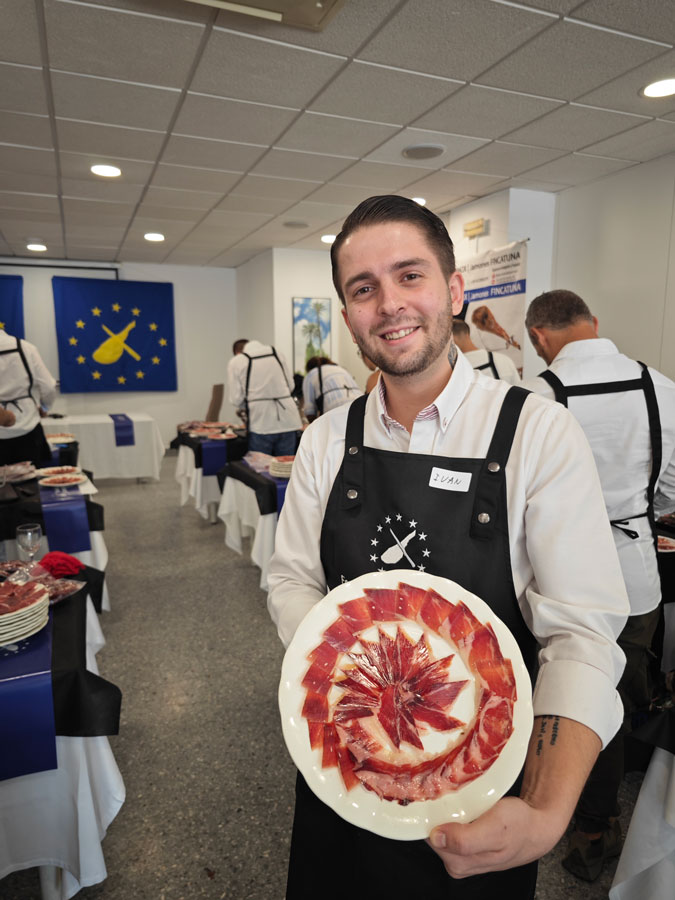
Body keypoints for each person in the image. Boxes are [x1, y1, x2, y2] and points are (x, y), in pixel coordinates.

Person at [267, 195, 629, 899]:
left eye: (410, 276)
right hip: (344, 763)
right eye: (362, 289)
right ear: (346, 315)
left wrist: (547, 813)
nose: (388, 305)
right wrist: (338, 680)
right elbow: (289, 581)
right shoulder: (324, 441)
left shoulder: (537, 432)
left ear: (453, 290)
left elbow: (580, 634)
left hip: (480, 780)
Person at [523, 288, 675, 881]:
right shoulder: (661, 389)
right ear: (594, 324)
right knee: (612, 699)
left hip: (554, 580)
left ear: (539, 337)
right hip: (634, 578)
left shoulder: (533, 399)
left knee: (554, 696)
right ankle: (595, 828)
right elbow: (671, 494)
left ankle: (554, 812)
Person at [227, 338, 301, 456]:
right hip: (288, 420)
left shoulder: (237, 361)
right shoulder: (276, 352)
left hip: (261, 422)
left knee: (261, 470)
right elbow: (290, 386)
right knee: (286, 468)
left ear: (237, 352)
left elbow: (236, 399)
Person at [0, 329, 56, 466]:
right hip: (29, 427)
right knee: (31, 482)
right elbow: (48, 386)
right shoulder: (27, 348)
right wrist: (44, 407)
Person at [451, 318, 520, 384]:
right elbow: (519, 393)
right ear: (468, 333)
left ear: (451, 338)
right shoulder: (504, 360)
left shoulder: (455, 370)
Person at [302, 355, 362, 421]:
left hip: (335, 412)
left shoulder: (310, 375)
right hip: (360, 407)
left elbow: (310, 412)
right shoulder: (341, 369)